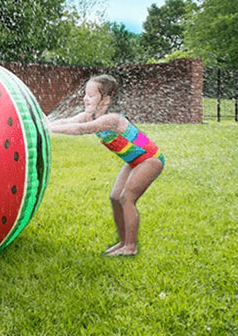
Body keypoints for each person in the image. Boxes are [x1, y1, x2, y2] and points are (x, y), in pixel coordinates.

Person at [48, 74, 164, 256]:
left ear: (107, 98)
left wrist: (49, 129)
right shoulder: (90, 115)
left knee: (127, 198)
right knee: (115, 196)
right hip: (134, 160)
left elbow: (80, 130)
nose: (85, 98)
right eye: (85, 94)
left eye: (91, 95)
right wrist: (45, 123)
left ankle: (130, 247)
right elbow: (68, 122)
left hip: (150, 159)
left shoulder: (112, 119)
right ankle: (123, 242)